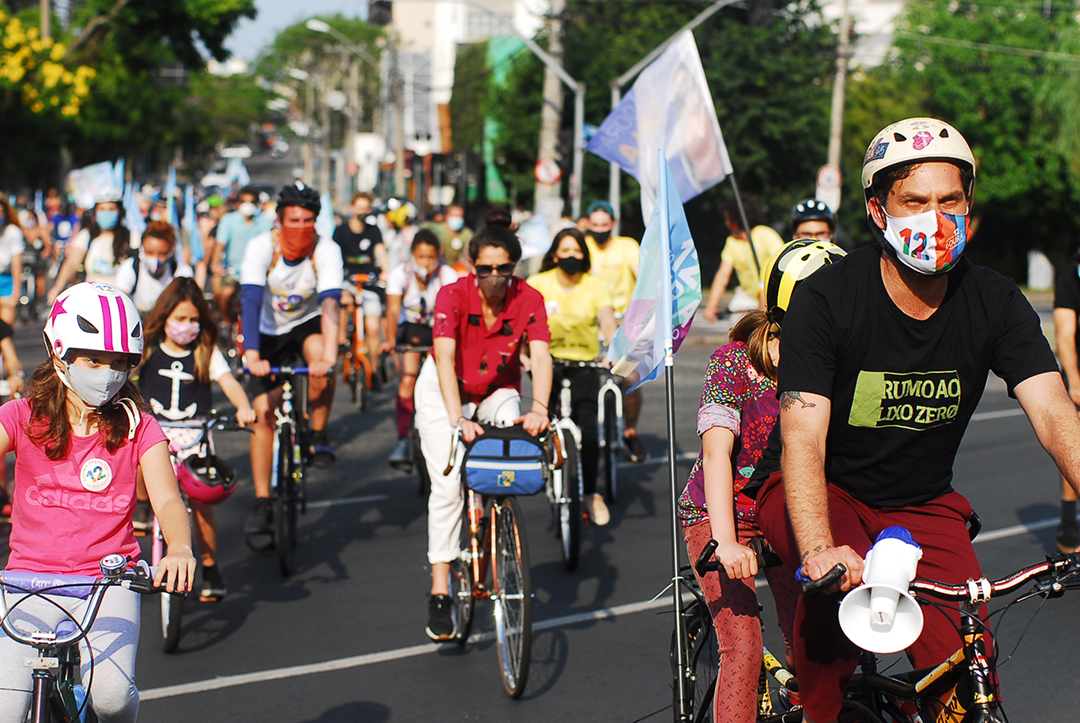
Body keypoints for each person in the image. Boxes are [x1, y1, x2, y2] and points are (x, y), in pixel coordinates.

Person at [751, 117, 1080, 723]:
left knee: (968, 668)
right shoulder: (826, 300)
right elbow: (802, 437)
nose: (934, 217)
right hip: (822, 490)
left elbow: (1056, 411)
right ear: (879, 212)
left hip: (922, 503)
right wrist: (821, 549)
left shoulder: (996, 301)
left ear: (968, 205)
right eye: (915, 201)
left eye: (949, 200)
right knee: (829, 616)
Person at [0, 282, 195, 722]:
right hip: (26, 584)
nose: (107, 373)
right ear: (59, 352)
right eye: (93, 359)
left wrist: (180, 548)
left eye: (120, 363)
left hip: (110, 585)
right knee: (6, 709)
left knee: (110, 696)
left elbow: (167, 500)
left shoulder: (139, 427)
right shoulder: (19, 417)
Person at [681, 239, 844, 722]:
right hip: (719, 515)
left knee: (814, 643)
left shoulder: (833, 367)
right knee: (743, 648)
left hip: (788, 514)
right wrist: (726, 544)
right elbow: (716, 452)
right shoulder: (733, 362)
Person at [416, 223, 551, 640]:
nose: (495, 275)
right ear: (473, 265)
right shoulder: (451, 294)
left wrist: (540, 410)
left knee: (512, 425)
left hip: (497, 389)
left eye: (504, 267)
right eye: (486, 267)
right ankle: (440, 588)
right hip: (446, 391)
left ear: (514, 266)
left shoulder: (529, 298)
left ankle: (497, 513)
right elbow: (443, 358)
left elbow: (542, 356)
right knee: (447, 486)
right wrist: (458, 418)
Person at [139, 277, 256, 601]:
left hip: (195, 439)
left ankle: (210, 566)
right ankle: (142, 505)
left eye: (193, 320)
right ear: (163, 318)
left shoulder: (206, 352)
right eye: (179, 318)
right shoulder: (147, 349)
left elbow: (229, 382)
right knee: (135, 464)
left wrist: (244, 406)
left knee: (202, 505)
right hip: (154, 432)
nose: (186, 326)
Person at [240, 182, 343, 534]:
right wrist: (252, 355)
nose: (301, 227)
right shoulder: (260, 248)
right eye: (294, 220)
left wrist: (329, 358)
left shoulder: (326, 250)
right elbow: (250, 302)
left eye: (309, 220)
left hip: (306, 324)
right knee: (263, 413)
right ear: (279, 221)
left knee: (320, 361)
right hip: (267, 332)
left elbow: (330, 303)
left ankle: (317, 432)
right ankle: (262, 500)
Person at [527, 228, 618, 525]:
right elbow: (519, 325)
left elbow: (606, 321)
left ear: (584, 255)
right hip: (546, 363)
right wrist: (522, 357)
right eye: (565, 251)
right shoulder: (537, 284)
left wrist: (614, 349)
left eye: (576, 251)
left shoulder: (595, 285)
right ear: (554, 255)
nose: (571, 257)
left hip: (585, 364)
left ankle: (591, 493)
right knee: (544, 422)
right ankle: (547, 472)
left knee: (589, 430)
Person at [381, 229, 458, 467]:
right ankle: (403, 438)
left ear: (439, 256)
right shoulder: (400, 274)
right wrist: (391, 341)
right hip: (411, 329)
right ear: (412, 255)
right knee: (408, 378)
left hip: (439, 329)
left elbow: (456, 311)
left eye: (430, 257)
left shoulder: (447, 275)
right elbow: (393, 310)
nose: (425, 262)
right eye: (421, 257)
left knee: (447, 377)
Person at [582, 200, 649, 463]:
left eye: (604, 224)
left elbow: (641, 277)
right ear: (587, 224)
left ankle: (630, 431)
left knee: (630, 378)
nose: (599, 229)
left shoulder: (627, 247)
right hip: (590, 322)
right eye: (594, 224)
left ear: (613, 224)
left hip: (624, 322)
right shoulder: (583, 246)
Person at [334, 192, 390, 377]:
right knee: (345, 302)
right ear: (352, 208)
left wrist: (386, 271)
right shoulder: (341, 231)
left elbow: (380, 252)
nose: (362, 212)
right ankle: (342, 340)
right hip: (347, 282)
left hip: (369, 283)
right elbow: (334, 257)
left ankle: (373, 370)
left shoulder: (373, 231)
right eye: (359, 208)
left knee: (373, 327)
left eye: (366, 208)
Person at [702, 198, 784, 322]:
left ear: (736, 219)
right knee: (738, 321)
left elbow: (782, 264)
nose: (726, 222)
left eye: (727, 218)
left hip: (772, 295)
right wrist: (711, 306)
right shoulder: (733, 242)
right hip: (748, 296)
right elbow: (722, 276)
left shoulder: (765, 234)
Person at [48, 188, 132, 303]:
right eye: (102, 209)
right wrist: (57, 288)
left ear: (120, 211)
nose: (106, 213)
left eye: (111, 209)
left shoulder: (131, 237)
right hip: (92, 301)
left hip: (121, 301)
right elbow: (72, 263)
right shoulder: (87, 236)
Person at [1051, 252, 1080, 552]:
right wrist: (1073, 380)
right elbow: (1065, 336)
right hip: (1078, 371)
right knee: (1073, 443)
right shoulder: (1070, 281)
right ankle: (1069, 518)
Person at [211, 185, 273, 323]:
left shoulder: (264, 221)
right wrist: (216, 264)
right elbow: (220, 244)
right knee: (226, 294)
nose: (247, 206)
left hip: (257, 272)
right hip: (234, 271)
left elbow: (269, 245)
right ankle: (226, 322)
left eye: (251, 202)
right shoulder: (228, 220)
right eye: (244, 202)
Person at [113, 221, 194, 314]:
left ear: (171, 251)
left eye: (162, 254)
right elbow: (120, 304)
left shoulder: (182, 272)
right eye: (150, 252)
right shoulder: (130, 268)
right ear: (141, 249)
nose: (155, 259)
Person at [423, 204, 473, 272]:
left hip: (458, 270)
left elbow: (468, 255)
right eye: (454, 215)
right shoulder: (438, 230)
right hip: (438, 268)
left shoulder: (467, 234)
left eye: (459, 216)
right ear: (447, 216)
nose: (457, 218)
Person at [0, 198, 24, 327]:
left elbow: (16, 264)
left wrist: (16, 292)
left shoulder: (13, 232)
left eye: (1, 212)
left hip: (7, 283)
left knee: (5, 332)